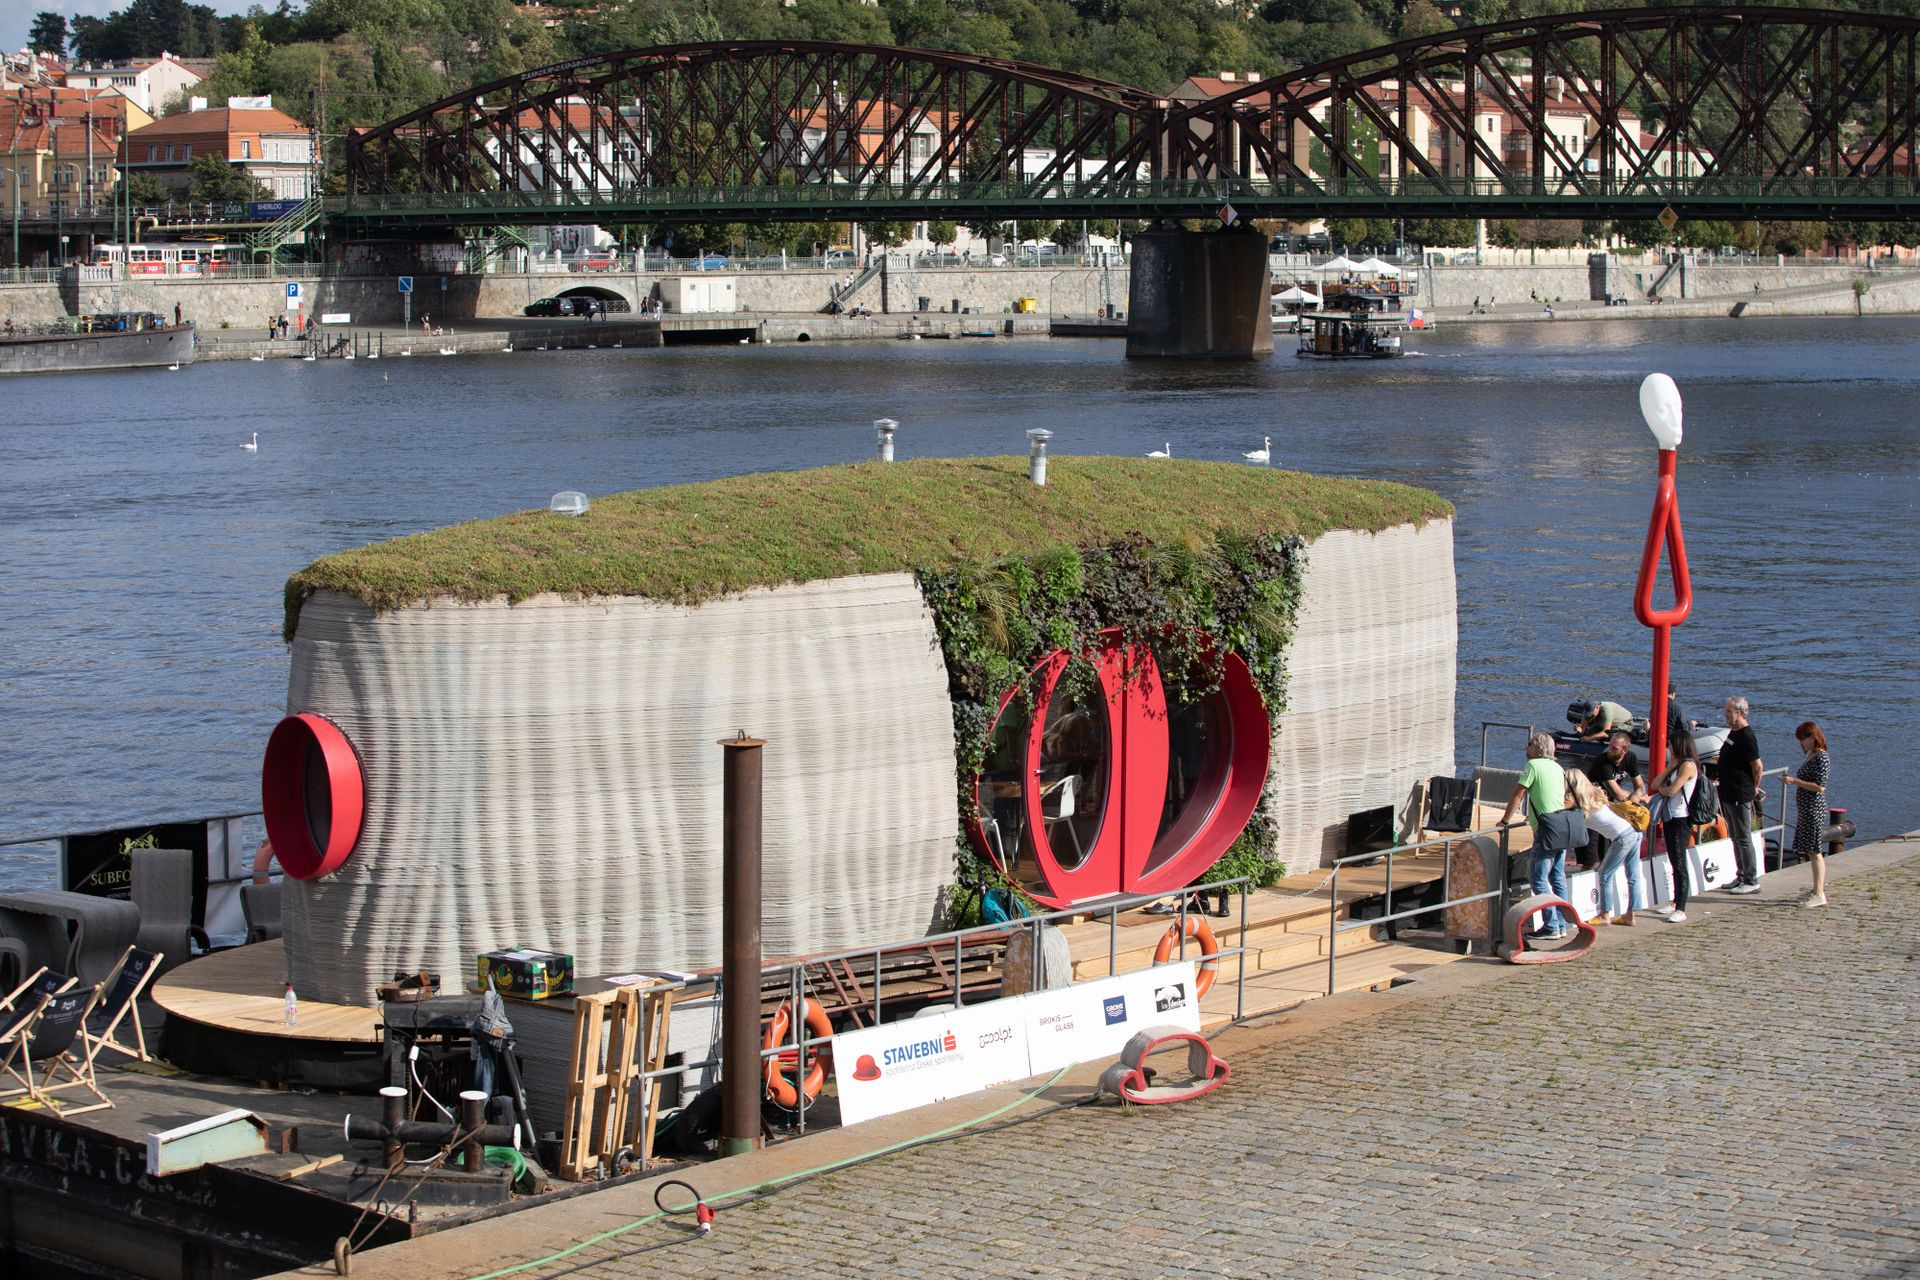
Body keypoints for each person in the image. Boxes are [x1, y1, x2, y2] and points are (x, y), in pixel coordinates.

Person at [1500, 732, 1573, 940]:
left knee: (1538, 879)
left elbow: (1519, 793)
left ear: (1538, 748)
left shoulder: (1533, 766)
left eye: (1530, 744)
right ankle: (1561, 924)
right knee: (1558, 878)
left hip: (1545, 830)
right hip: (1562, 827)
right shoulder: (1558, 768)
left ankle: (1551, 925)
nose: (1526, 747)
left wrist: (1505, 820)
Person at [1574, 770, 1643, 925]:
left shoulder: (1581, 805)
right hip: (1634, 830)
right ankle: (1631, 914)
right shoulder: (1595, 796)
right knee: (1633, 874)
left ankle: (1604, 914)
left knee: (1605, 873)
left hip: (1623, 836)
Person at [1650, 728, 1700, 923]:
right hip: (1670, 817)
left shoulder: (1688, 766)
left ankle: (1681, 907)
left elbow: (1671, 790)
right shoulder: (1678, 765)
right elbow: (1655, 783)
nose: (1669, 748)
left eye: (1671, 745)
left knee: (1680, 862)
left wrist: (1663, 789)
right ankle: (1674, 900)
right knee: (1673, 859)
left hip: (1681, 818)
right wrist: (1670, 767)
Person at [1717, 696, 1764, 894]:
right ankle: (1741, 875)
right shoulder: (1733, 733)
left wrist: (1754, 786)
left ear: (1741, 713)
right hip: (1727, 791)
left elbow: (1757, 765)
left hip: (1739, 791)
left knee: (1743, 837)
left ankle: (1751, 879)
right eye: (1726, 710)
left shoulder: (1746, 735)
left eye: (1729, 711)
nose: (1725, 714)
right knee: (1735, 836)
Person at [1784, 721, 1831, 906]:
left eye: (1803, 739)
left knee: (1815, 850)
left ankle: (1819, 893)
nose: (1802, 743)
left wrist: (1795, 781)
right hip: (1805, 809)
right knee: (1810, 851)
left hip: (1814, 809)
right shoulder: (1812, 755)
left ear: (1813, 737)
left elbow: (1820, 787)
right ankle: (1815, 889)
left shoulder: (1822, 757)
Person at [1586, 730, 1647, 804]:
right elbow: (1618, 795)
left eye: (1614, 748)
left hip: (1609, 799)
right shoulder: (1602, 762)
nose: (1610, 750)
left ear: (1624, 750)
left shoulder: (1631, 757)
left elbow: (1640, 786)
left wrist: (1637, 795)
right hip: (1593, 801)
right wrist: (1642, 798)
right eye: (1610, 745)